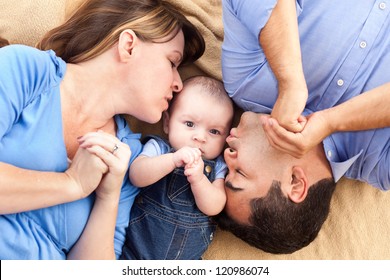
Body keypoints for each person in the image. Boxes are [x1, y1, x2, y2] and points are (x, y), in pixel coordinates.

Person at [0, 0, 205, 259]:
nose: (178, 84)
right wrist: (72, 184)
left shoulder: (129, 156)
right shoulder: (25, 71)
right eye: (173, 63)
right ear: (128, 45)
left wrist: (108, 198)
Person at [216, 0, 390, 254]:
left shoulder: (246, 82)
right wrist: (333, 121)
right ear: (296, 183)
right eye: (238, 173)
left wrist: (291, 81)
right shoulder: (382, 165)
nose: (226, 155)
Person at [120, 76, 234, 259]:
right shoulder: (160, 149)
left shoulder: (219, 166)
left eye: (214, 131)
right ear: (167, 123)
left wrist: (199, 180)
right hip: (137, 250)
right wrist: (172, 160)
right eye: (190, 124)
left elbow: (215, 206)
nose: (200, 137)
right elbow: (136, 175)